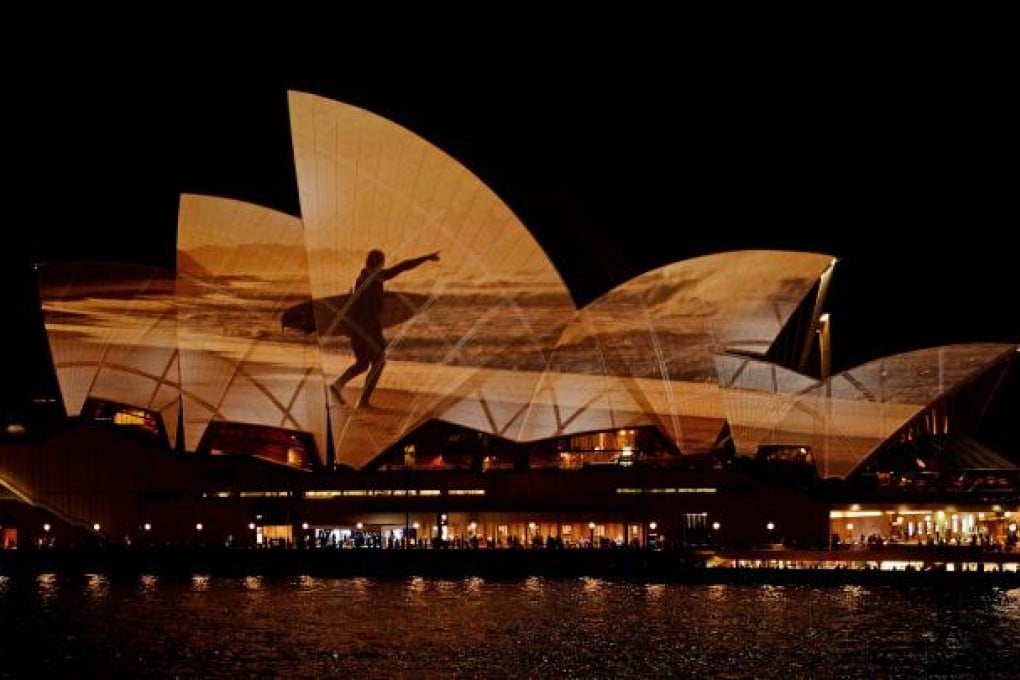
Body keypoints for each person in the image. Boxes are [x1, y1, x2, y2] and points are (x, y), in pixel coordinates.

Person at [331, 248, 440, 408]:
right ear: (378, 264)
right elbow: (403, 266)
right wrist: (426, 257)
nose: (383, 267)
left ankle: (337, 387)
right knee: (378, 362)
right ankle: (362, 401)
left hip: (358, 328)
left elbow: (356, 304)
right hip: (368, 329)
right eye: (381, 263)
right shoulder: (375, 277)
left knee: (363, 364)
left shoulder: (360, 280)